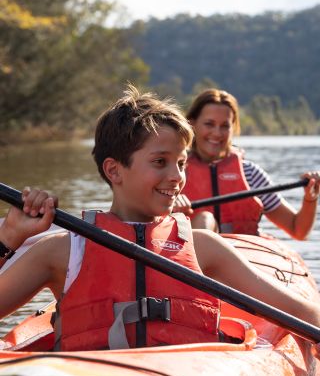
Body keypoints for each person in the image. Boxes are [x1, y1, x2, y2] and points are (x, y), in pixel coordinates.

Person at [0, 85, 319, 355]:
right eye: (160, 162)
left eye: (181, 163)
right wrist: (9, 237)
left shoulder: (204, 247)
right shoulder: (63, 251)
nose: (177, 177)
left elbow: (296, 312)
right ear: (114, 170)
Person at [174, 88, 319, 237]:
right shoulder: (174, 174)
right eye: (209, 124)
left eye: (225, 126)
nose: (217, 133)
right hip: (190, 252)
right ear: (192, 124)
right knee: (205, 218)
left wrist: (310, 198)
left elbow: (298, 231)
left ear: (233, 129)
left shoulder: (250, 173)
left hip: (243, 253)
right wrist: (169, 210)